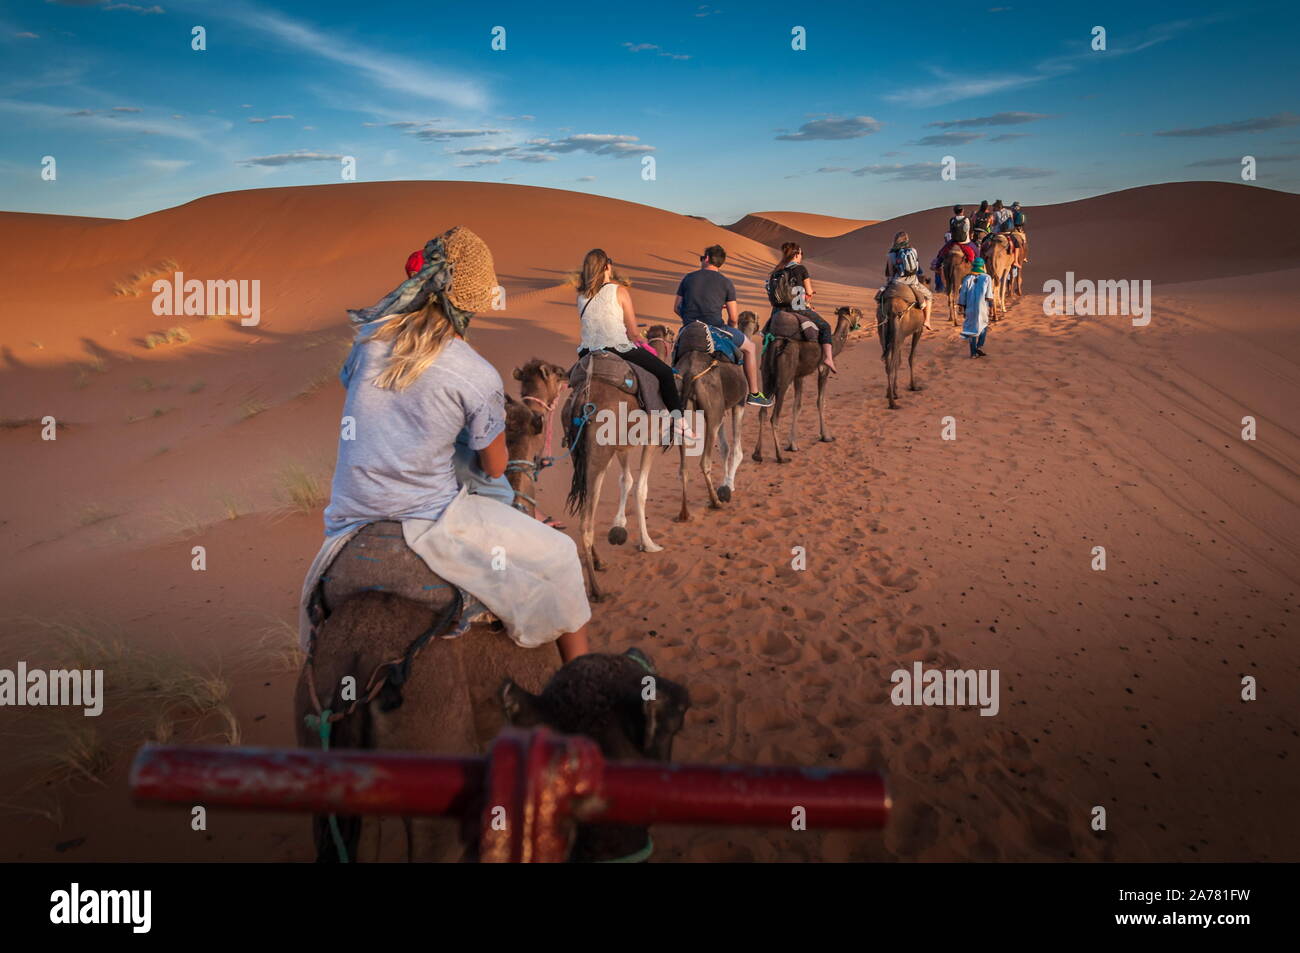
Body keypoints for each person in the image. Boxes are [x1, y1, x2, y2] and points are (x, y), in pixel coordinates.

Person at [309, 226, 591, 661]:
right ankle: (581, 681)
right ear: (471, 303)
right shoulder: (474, 372)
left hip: (347, 524)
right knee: (561, 555)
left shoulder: (366, 342)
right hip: (429, 520)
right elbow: (496, 468)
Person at [575, 248, 691, 437]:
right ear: (606, 267)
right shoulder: (618, 290)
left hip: (586, 351)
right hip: (617, 348)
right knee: (664, 373)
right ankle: (679, 422)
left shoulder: (581, 297)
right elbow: (633, 334)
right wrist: (644, 342)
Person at [675, 244, 772, 406]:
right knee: (750, 348)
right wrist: (729, 328)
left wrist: (689, 318)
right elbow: (733, 317)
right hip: (716, 328)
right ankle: (754, 393)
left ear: (706, 258)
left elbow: (676, 307)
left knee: (674, 352)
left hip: (689, 328)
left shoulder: (688, 278)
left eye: (702, 258)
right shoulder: (727, 283)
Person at [763, 242, 836, 373]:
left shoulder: (776, 271)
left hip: (777, 311)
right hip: (797, 308)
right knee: (825, 327)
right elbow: (808, 292)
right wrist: (808, 298)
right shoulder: (800, 269)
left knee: (767, 334)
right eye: (801, 254)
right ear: (796, 254)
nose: (801, 256)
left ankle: (764, 360)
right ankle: (828, 358)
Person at [884, 231, 933, 332]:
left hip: (896, 282)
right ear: (907, 240)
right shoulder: (913, 251)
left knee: (880, 298)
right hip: (913, 282)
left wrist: (889, 283)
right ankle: (927, 320)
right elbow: (917, 269)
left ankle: (882, 318)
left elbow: (890, 273)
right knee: (929, 296)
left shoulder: (890, 254)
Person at [958, 257, 995, 359]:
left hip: (969, 307)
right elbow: (989, 296)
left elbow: (962, 295)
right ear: (983, 266)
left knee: (971, 329)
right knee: (983, 327)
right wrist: (991, 308)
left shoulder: (967, 278)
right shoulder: (987, 278)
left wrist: (961, 307)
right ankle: (979, 346)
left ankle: (973, 352)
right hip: (982, 307)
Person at [930, 205, 977, 283]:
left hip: (953, 242)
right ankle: (976, 268)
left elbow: (952, 231)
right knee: (977, 252)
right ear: (963, 211)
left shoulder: (952, 220)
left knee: (941, 252)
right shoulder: (968, 219)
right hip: (966, 243)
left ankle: (937, 266)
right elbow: (970, 232)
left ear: (954, 212)